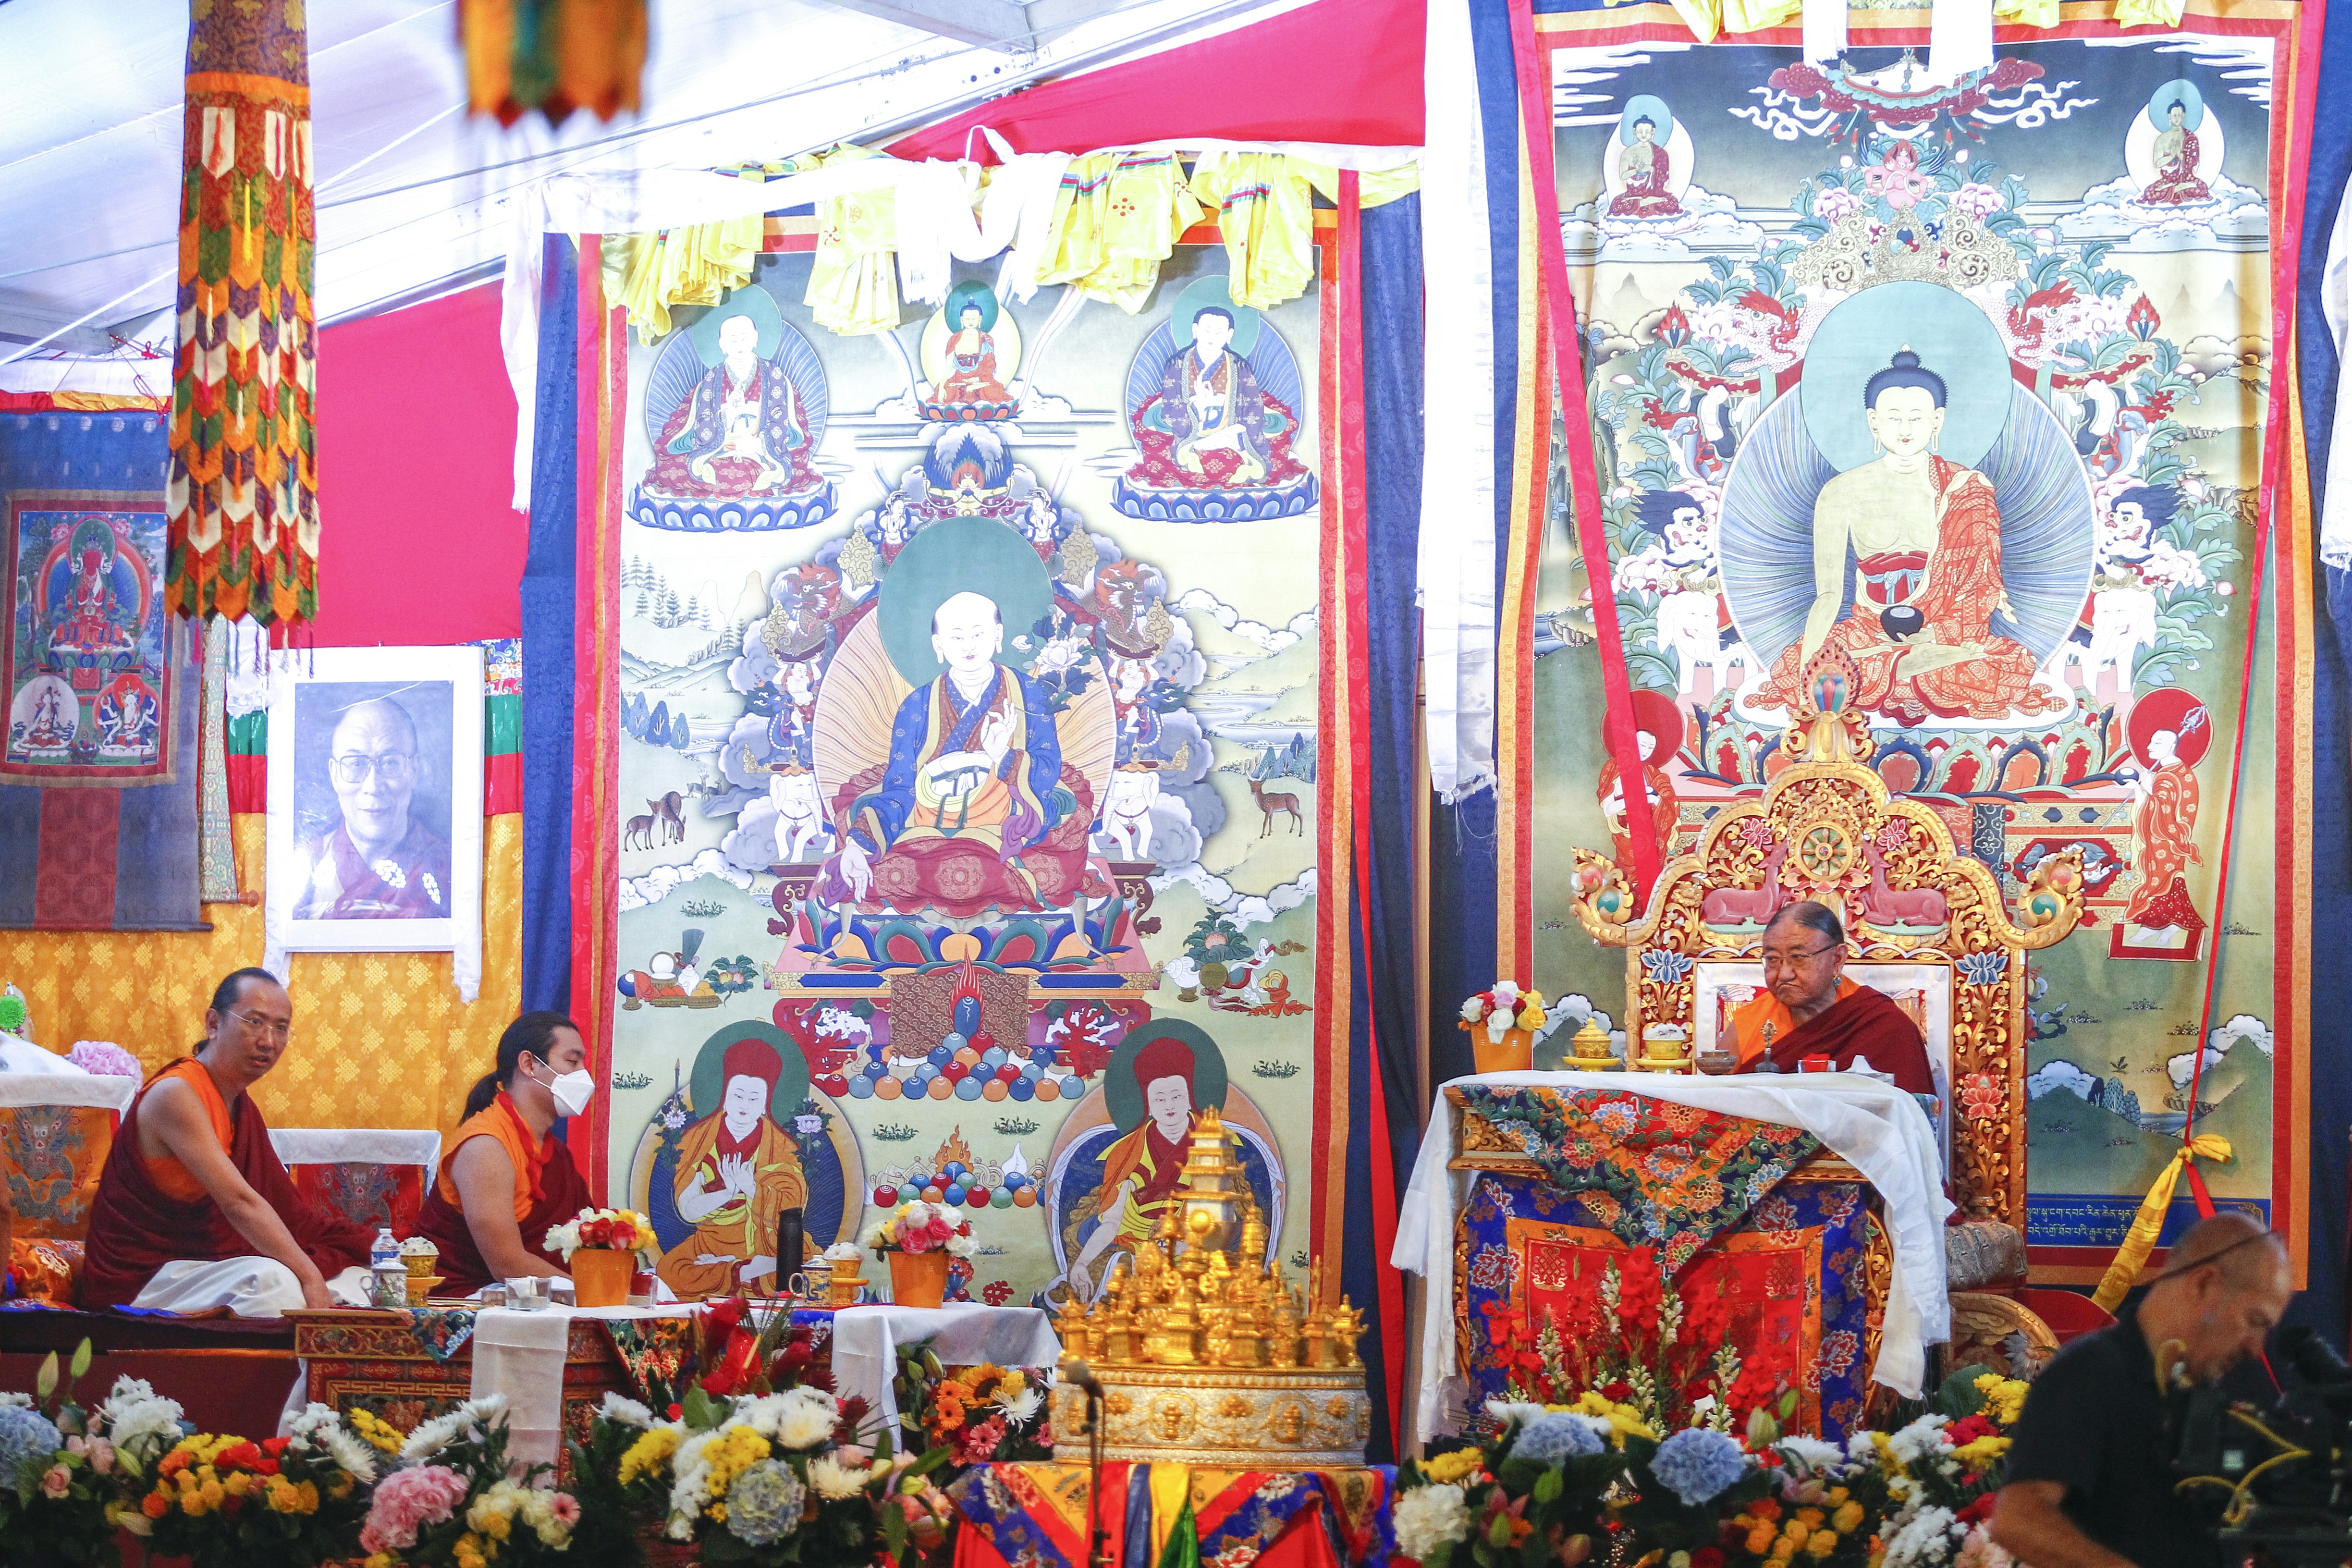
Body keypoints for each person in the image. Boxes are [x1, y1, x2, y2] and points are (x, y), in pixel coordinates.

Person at [1757, 349, 2062, 723]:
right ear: (1873, 422)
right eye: (1894, 418)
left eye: (1917, 418)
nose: (1905, 430)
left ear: (1937, 421)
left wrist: (1934, 638)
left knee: (2001, 663)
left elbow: (1974, 594)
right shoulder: (1841, 492)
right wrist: (1808, 668)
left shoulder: (1966, 490)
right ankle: (1903, 665)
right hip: (1868, 632)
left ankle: (1912, 664)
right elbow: (1829, 594)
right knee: (1817, 665)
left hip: (1940, 636)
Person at [1990, 1213, 2291, 1568]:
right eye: (2255, 1321)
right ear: (2204, 1284)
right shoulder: (2091, 1372)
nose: (2256, 1348)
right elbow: (2019, 1520)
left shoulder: (2212, 1391)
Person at [80, 968, 375, 1316]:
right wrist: (310, 1276)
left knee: (361, 1275)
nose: (268, 1040)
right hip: (144, 1275)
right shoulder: (176, 1094)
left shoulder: (239, 1105)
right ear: (214, 1024)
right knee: (273, 1282)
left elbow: (292, 1215)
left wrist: (375, 1247)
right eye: (254, 1022)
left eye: (281, 1028)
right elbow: (240, 1203)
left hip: (205, 1264)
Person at [822, 589, 1067, 912]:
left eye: (978, 634)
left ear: (998, 636)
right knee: (877, 865)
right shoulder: (917, 706)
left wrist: (1002, 757)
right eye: (956, 637)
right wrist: (858, 843)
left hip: (1004, 820)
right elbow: (901, 786)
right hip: (929, 818)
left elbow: (1049, 768)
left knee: (1059, 856)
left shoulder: (1031, 695)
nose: (968, 646)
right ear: (938, 645)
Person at [409, 1012, 596, 1298]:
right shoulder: (485, 1146)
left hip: (541, 1300)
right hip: (466, 1305)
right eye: (572, 1062)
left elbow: (587, 1247)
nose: (583, 1075)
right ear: (529, 1064)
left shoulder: (556, 1154)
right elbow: (507, 1264)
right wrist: (591, 1294)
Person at [1718, 902, 1936, 1092]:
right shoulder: (1747, 1024)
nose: (1784, 974)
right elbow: (1718, 1109)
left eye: (1798, 957)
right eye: (1773, 959)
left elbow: (1911, 1120)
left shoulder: (1884, 1026)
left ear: (1838, 959)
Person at [656, 1035, 809, 1298]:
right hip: (710, 1241)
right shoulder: (698, 1139)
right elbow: (689, 1210)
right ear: (724, 1096)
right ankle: (745, 1270)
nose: (744, 1105)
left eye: (754, 1098)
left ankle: (745, 1267)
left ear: (766, 1102)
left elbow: (792, 1207)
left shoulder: (781, 1146)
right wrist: (726, 1193)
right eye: (738, 1095)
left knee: (803, 1265)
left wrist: (751, 1188)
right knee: (670, 1273)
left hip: (766, 1243)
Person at [292, 697, 453, 920]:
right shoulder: (304, 866)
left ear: (414, 770)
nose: (373, 787)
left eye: (390, 762)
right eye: (355, 763)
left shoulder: (448, 868)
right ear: (334, 775)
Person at [1070, 1031, 1201, 1298]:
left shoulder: (1214, 1145)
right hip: (1137, 1248)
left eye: (1177, 1096)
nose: (1169, 1106)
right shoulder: (1126, 1152)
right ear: (1149, 1106)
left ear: (1190, 1098)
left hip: (1192, 1245)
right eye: (1159, 1099)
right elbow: (1112, 1222)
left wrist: (1185, 1243)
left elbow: (1220, 1219)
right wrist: (1081, 1264)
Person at [665, 312, 808, 492]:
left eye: (744, 338)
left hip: (762, 448)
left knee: (768, 473)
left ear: (755, 339)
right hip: (721, 447)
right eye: (733, 340)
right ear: (722, 345)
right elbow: (703, 420)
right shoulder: (713, 377)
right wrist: (728, 416)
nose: (739, 345)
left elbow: (779, 416)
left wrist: (760, 445)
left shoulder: (772, 373)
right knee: (683, 470)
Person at [1157, 307, 1273, 484]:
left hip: (1230, 432)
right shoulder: (1177, 364)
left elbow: (1255, 405)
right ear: (1195, 330)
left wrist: (1237, 429)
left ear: (1229, 335)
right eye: (1207, 331)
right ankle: (1197, 446)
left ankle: (1211, 445)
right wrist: (1197, 407)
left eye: (1219, 332)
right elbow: (1169, 408)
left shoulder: (1239, 366)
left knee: (1252, 465)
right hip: (1190, 431)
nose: (1212, 337)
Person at [936, 299, 1012, 407]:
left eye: (974, 318)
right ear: (962, 320)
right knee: (945, 393)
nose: (971, 321)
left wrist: (978, 379)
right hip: (959, 379)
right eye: (967, 319)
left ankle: (972, 388)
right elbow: (948, 368)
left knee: (995, 391)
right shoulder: (954, 339)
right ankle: (968, 389)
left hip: (980, 380)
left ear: (980, 319)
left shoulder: (986, 339)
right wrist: (942, 387)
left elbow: (990, 366)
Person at [1609, 116, 1682, 219]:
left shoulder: (1660, 153)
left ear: (1653, 132)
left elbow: (1663, 176)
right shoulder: (1628, 152)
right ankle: (1646, 202)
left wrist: (1651, 169)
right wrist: (1636, 171)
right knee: (1616, 204)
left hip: (1654, 193)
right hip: (1632, 195)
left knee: (1672, 202)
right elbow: (1622, 176)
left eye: (1647, 131)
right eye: (1640, 131)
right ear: (1635, 132)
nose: (1644, 135)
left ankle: (1643, 202)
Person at [2143, 100, 2212, 206]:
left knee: (2203, 189)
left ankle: (2175, 188)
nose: (2176, 118)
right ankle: (2179, 187)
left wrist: (2182, 157)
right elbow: (2157, 163)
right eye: (2174, 115)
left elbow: (2193, 163)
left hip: (2187, 178)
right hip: (2168, 179)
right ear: (2169, 117)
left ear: (2183, 116)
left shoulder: (2190, 138)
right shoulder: (2162, 139)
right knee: (2149, 193)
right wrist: (2172, 156)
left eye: (2179, 115)